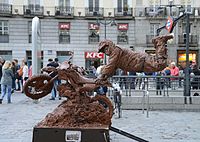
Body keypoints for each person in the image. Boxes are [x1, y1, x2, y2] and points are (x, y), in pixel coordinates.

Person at [96, 34, 173, 83]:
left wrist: (101, 75)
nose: (106, 52)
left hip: (141, 61)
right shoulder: (115, 56)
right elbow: (111, 69)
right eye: (103, 52)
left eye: (106, 49)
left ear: (110, 45)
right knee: (159, 63)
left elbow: (110, 65)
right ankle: (159, 43)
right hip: (140, 65)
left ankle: (160, 41)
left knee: (160, 64)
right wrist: (104, 76)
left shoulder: (115, 51)